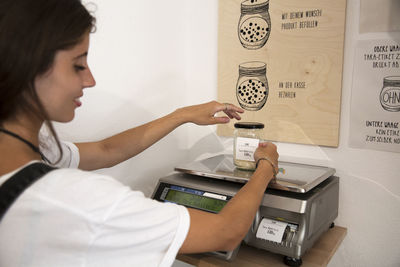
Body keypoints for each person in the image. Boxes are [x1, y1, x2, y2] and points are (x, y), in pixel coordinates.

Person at [0, 0, 279, 266]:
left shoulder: (39, 149)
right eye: (77, 65)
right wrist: (265, 167)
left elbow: (105, 150)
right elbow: (224, 232)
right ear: (26, 65)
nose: (90, 80)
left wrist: (181, 115)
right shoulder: (75, 200)